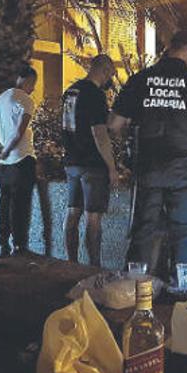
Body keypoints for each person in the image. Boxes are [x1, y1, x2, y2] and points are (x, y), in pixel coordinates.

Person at [108, 31, 187, 283]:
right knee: (182, 233)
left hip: (147, 170)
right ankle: (181, 290)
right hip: (183, 171)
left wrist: (128, 143)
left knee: (143, 232)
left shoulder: (140, 80)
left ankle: (135, 290)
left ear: (169, 48)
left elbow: (114, 123)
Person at [61, 55, 118, 266]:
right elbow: (99, 133)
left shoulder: (71, 91)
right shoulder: (94, 94)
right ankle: (94, 267)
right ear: (103, 71)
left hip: (72, 161)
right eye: (110, 74)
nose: (109, 80)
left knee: (72, 212)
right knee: (93, 217)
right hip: (92, 164)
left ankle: (71, 263)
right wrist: (112, 168)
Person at [0, 65, 38, 257]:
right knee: (21, 206)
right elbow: (19, 131)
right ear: (26, 80)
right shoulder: (25, 100)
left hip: (5, 165)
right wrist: (7, 150)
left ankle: (3, 245)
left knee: (5, 203)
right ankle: (19, 246)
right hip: (22, 158)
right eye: (33, 83)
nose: (33, 88)